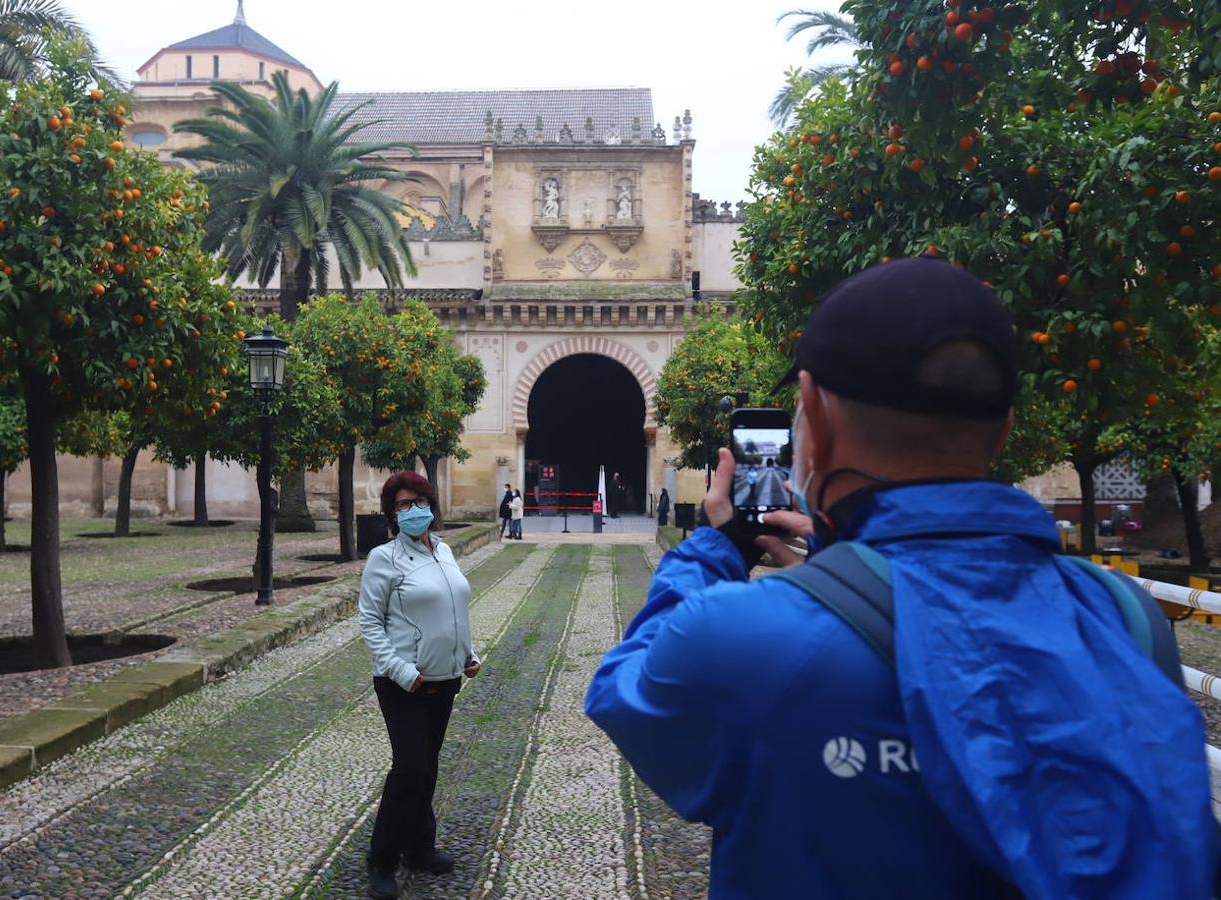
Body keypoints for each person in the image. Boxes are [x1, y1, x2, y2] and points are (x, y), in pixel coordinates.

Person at [585, 256, 1214, 899]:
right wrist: (842, 557)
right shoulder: (1127, 617)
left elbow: (621, 693)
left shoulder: (748, 634)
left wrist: (717, 549)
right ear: (1004, 429)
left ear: (815, 423)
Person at [359, 471, 482, 899]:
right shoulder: (384, 558)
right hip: (404, 683)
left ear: (431, 504)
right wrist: (402, 672)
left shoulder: (444, 550)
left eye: (419, 502)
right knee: (409, 768)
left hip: (445, 678)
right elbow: (370, 623)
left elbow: (454, 608)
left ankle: (419, 847)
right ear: (392, 514)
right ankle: (381, 858)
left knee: (426, 768)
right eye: (403, 505)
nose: (414, 511)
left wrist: (469, 653)